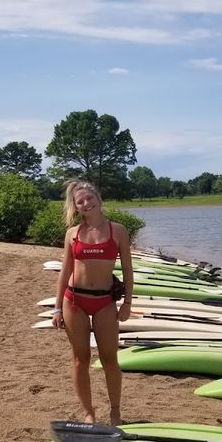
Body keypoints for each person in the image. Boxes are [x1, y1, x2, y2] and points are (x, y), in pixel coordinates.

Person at [52, 180, 133, 426]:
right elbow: (65, 272)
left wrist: (127, 302)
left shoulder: (118, 231)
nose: (86, 203)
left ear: (98, 198)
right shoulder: (72, 234)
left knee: (110, 359)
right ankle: (88, 412)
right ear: (75, 207)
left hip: (104, 302)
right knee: (80, 359)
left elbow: (128, 270)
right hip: (74, 301)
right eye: (80, 201)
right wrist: (56, 307)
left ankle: (116, 412)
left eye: (89, 198)